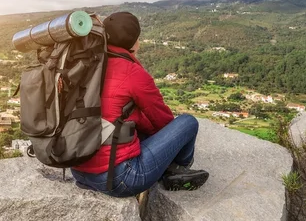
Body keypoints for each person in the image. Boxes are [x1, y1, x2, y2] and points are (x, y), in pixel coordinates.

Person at [71, 11, 209, 197]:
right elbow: (164, 122)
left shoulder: (86, 64)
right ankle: (177, 170)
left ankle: (172, 170)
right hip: (120, 179)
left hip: (79, 171)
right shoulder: (133, 73)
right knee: (187, 122)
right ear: (135, 42)